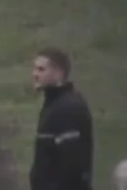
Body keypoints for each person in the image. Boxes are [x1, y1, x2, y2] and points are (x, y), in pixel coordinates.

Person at [32, 47, 94, 190]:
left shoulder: (68, 109)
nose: (34, 74)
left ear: (59, 73)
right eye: (34, 69)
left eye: (41, 69)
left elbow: (70, 167)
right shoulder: (54, 105)